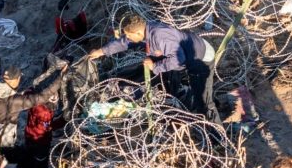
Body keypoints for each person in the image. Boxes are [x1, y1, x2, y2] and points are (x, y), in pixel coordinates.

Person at [88, 15, 220, 123]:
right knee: (164, 72)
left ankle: (218, 138)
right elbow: (124, 42)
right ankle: (172, 97)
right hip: (187, 52)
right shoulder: (145, 32)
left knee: (204, 101)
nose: (128, 38)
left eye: (129, 35)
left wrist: (155, 66)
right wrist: (101, 51)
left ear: (138, 32)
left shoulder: (159, 36)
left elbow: (179, 59)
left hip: (201, 59)